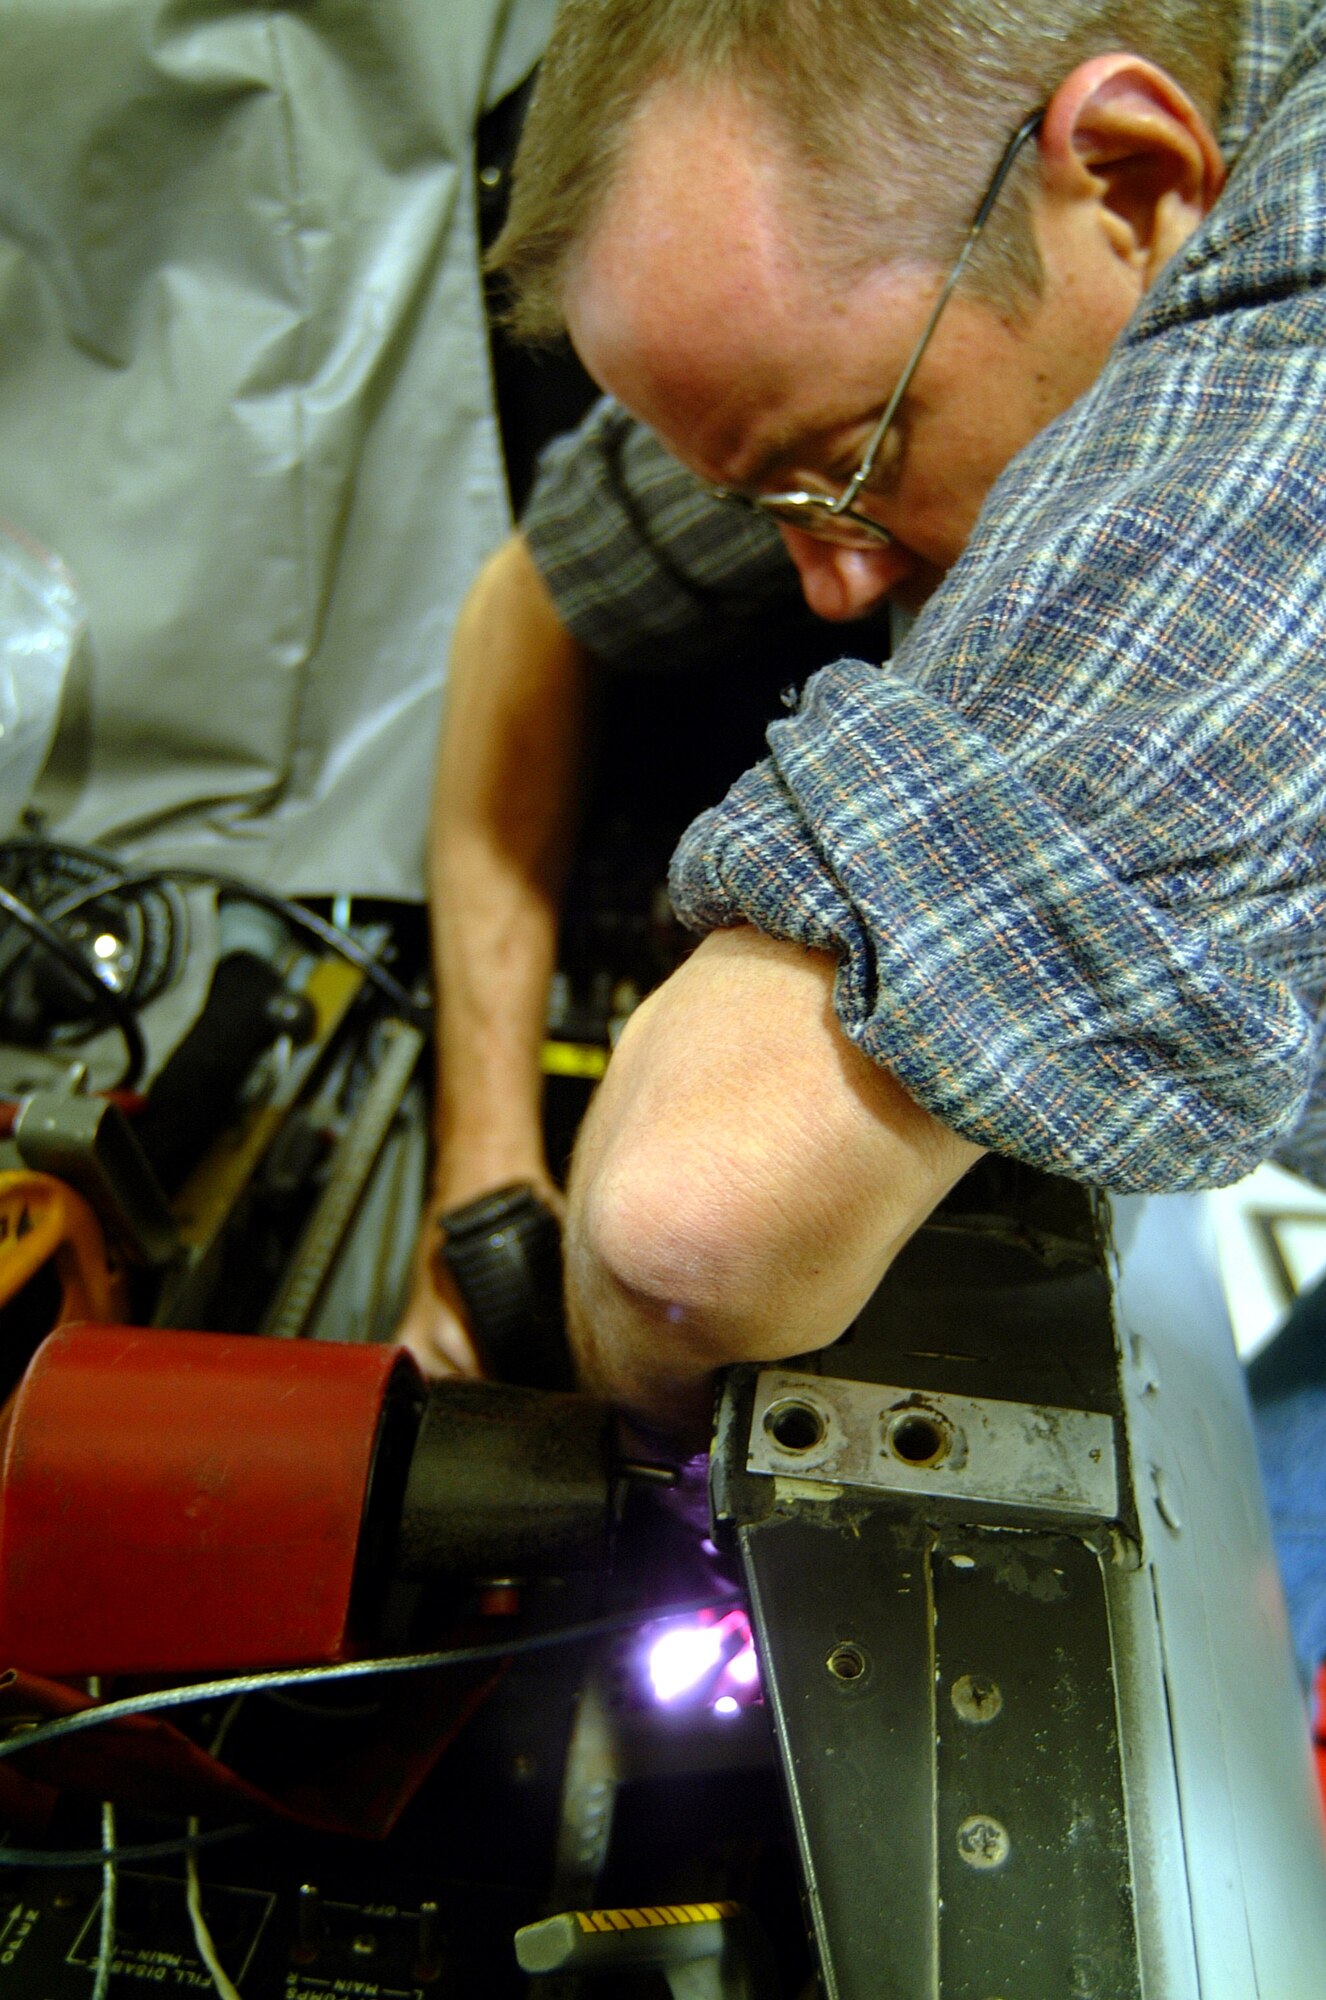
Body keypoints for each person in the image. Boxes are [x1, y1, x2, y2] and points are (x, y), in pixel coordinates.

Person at [401, 0, 1326, 1456]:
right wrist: (486, 1162)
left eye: (845, 471)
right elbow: (531, 602)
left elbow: (691, 1231)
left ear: (1131, 180)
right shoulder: (928, 269)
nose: (828, 586)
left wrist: (582, 1401)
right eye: (759, 502)